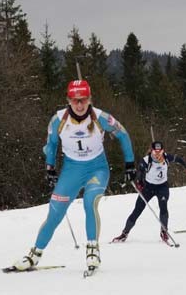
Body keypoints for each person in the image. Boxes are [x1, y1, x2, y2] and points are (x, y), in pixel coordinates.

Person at [13, 80, 135, 271]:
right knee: (55, 213)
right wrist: (50, 168)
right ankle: (34, 254)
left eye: (83, 100)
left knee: (90, 201)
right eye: (75, 100)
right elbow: (52, 144)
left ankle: (92, 249)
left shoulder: (101, 117)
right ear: (68, 100)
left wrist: (130, 164)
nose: (79, 105)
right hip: (71, 170)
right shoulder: (58, 120)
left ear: (89, 99)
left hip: (97, 169)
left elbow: (123, 134)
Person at [112, 141, 186, 243]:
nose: (157, 154)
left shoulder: (166, 157)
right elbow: (140, 172)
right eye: (155, 152)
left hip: (162, 187)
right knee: (137, 210)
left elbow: (179, 160)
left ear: (163, 151)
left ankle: (164, 231)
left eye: (159, 151)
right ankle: (124, 233)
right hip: (148, 188)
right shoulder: (146, 160)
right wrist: (140, 183)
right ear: (151, 151)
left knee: (163, 206)